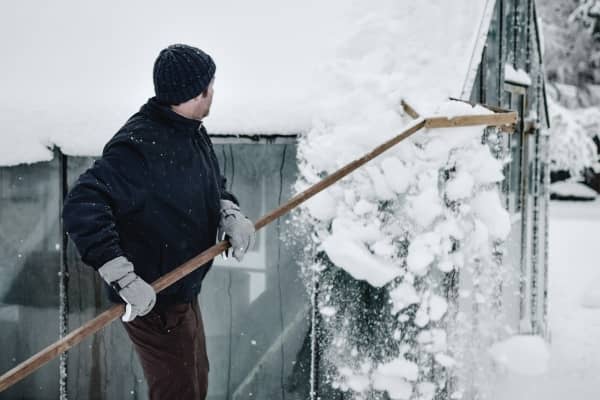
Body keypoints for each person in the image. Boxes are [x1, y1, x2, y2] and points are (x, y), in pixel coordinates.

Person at [62, 44, 255, 400]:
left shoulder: (191, 129)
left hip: (183, 290)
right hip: (152, 302)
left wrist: (228, 211)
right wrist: (122, 276)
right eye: (209, 85)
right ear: (194, 92)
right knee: (179, 393)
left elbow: (210, 182)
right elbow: (82, 205)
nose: (213, 92)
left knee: (196, 383)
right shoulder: (138, 147)